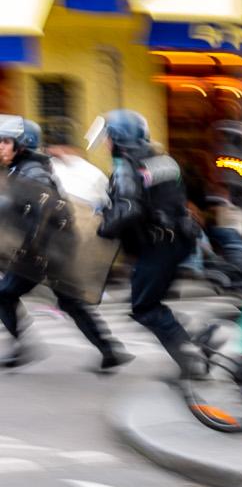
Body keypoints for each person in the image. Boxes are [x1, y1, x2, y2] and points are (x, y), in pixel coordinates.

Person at [0, 116, 129, 372]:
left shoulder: (32, 172)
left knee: (4, 294)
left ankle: (23, 347)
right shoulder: (22, 168)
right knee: (70, 302)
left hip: (42, 251)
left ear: (22, 144)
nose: (0, 147)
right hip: (47, 250)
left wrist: (31, 248)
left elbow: (43, 210)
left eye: (5, 142)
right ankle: (109, 350)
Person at [87, 110, 203, 378]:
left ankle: (192, 359)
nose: (105, 143)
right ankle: (194, 345)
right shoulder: (162, 160)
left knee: (145, 308)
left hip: (158, 245)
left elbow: (129, 208)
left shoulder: (127, 165)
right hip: (178, 240)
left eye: (108, 137)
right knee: (152, 303)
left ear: (119, 138)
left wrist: (105, 227)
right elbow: (160, 198)